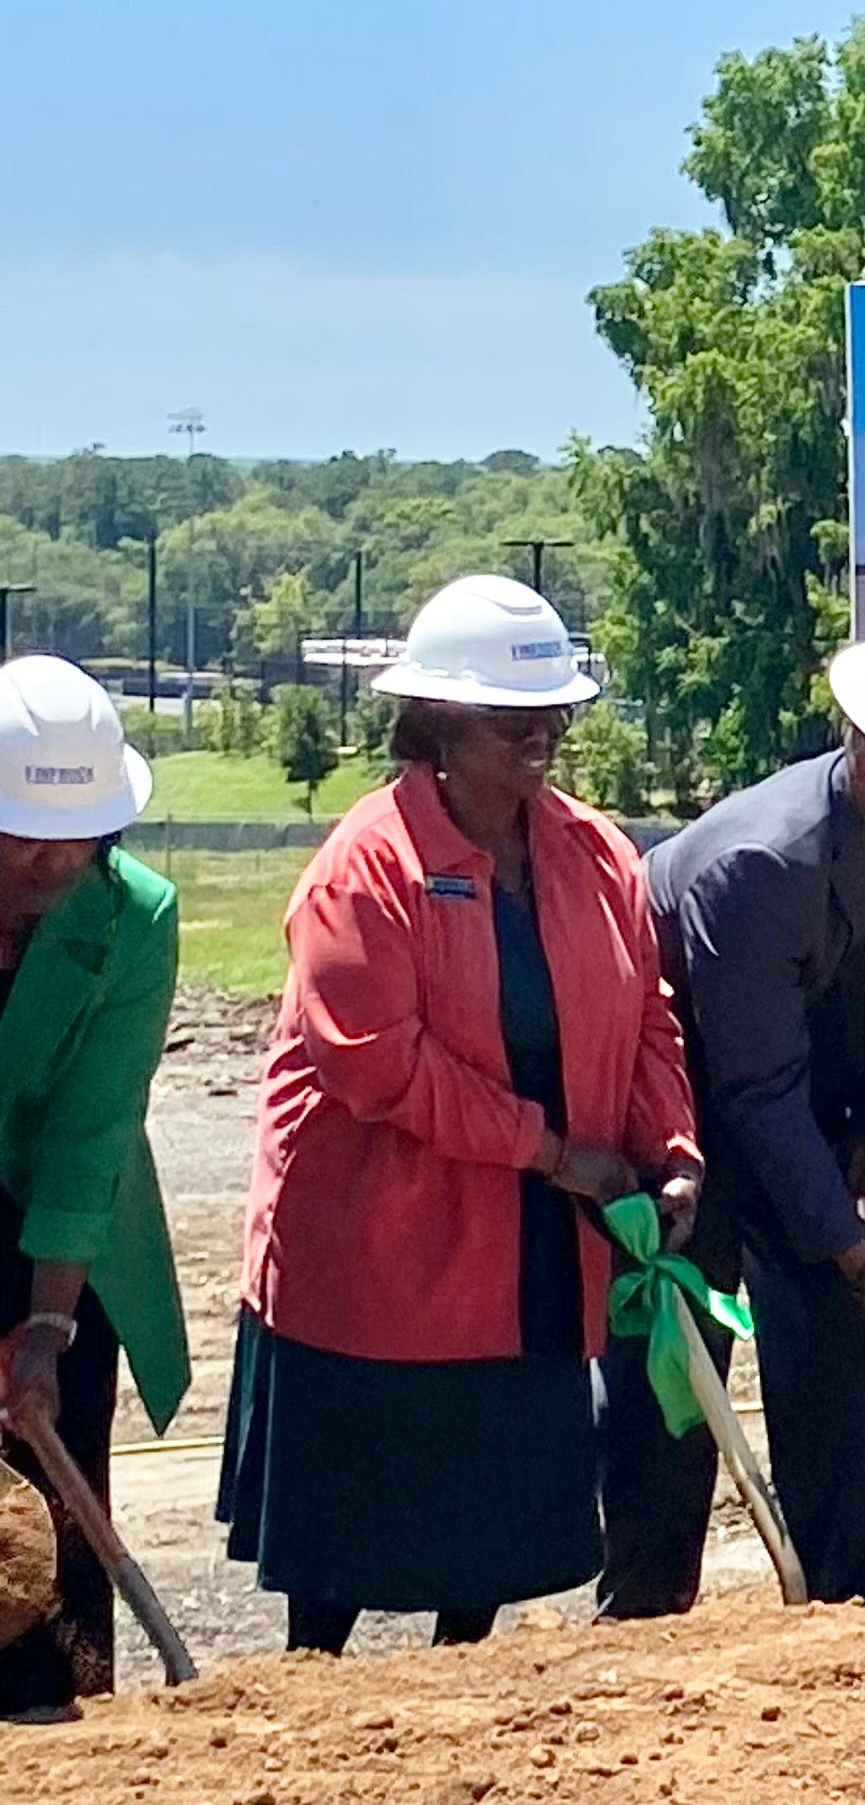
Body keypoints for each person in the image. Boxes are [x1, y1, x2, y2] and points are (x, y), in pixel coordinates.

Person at [227, 578, 698, 1655]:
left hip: (530, 1242)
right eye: (508, 718)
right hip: (374, 1242)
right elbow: (378, 1065)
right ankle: (318, 1688)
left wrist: (668, 1147)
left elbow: (646, 1016)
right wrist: (549, 1151)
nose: (539, 737)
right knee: (356, 1516)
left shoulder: (595, 854)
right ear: (436, 721)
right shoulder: (367, 864)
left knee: (497, 1512)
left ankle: (461, 1684)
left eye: (552, 715)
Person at [613, 616, 865, 1613]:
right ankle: (641, 1613)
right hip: (685, 1111)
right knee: (678, 1371)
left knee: (837, 1355)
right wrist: (861, 1264)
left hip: (806, 1096)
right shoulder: (760, 867)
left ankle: (857, 1608)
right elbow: (753, 1094)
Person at [0, 660, 183, 1708]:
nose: (56, 857)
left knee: (54, 1487)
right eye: (27, 832)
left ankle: (65, 1720)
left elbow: (90, 1128)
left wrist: (44, 1328)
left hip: (62, 1234)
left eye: (80, 834)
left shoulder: (131, 917)